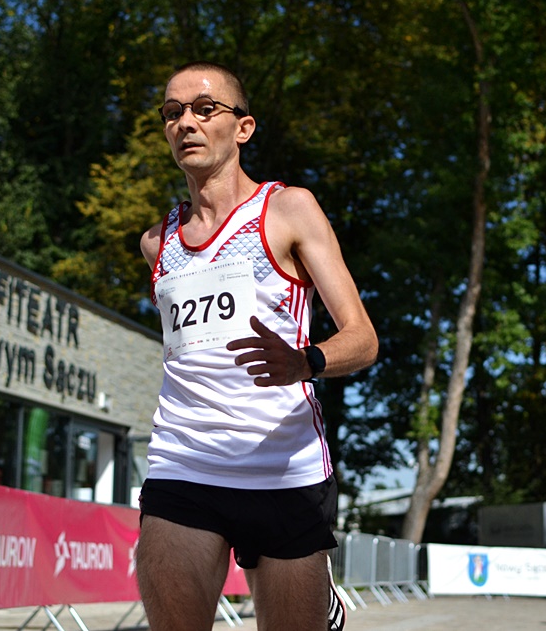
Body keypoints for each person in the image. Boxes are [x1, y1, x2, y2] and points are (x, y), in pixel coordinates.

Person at [134, 61, 378, 631]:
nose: (185, 123)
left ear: (243, 128)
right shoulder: (156, 243)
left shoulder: (288, 210)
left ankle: (320, 594)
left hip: (282, 468)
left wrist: (306, 361)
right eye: (172, 113)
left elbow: (363, 339)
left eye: (204, 109)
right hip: (184, 461)